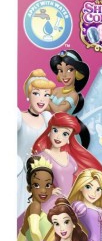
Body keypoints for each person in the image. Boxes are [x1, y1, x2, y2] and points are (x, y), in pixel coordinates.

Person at [32, 113, 102, 213]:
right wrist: (50, 191)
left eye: (65, 134)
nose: (58, 136)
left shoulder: (69, 157)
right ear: (49, 131)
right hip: (53, 201)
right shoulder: (43, 157)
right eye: (55, 130)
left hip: (69, 200)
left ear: (69, 138)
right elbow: (34, 182)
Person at [17, 70, 56, 214]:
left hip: (39, 176)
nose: (42, 99)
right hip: (18, 174)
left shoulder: (47, 119)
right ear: (28, 94)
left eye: (46, 95)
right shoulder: (18, 117)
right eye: (36, 93)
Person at [49, 49, 91, 147]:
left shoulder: (74, 95)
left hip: (67, 131)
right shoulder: (56, 90)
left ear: (77, 72)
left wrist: (47, 100)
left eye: (69, 70)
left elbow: (59, 110)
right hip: (54, 128)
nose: (64, 75)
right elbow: (46, 108)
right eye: (60, 70)